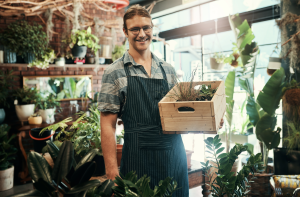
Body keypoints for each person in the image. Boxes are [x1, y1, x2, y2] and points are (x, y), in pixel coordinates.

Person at [99, 5, 223, 196]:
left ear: (152, 28)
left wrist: (209, 120)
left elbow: (180, 116)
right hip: (137, 160)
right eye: (135, 29)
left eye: (146, 28)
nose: (142, 34)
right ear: (125, 31)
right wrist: (111, 171)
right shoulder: (114, 72)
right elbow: (108, 125)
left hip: (173, 158)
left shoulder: (168, 70)